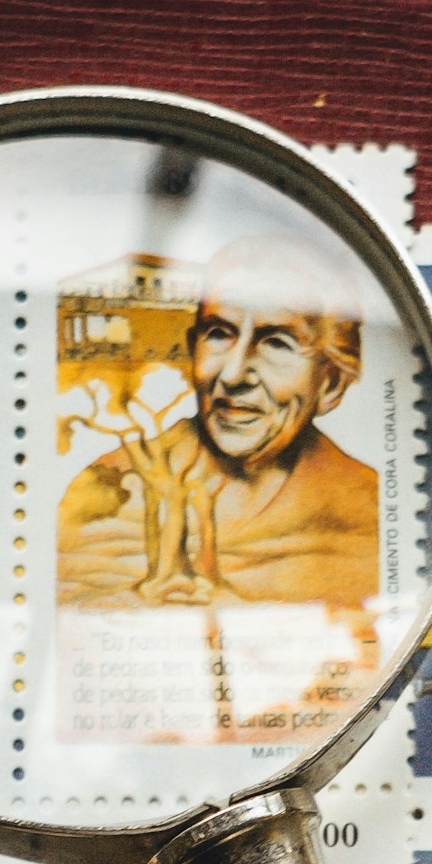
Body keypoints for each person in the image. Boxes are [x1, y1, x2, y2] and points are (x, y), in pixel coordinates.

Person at [58, 233, 379, 612]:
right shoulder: (106, 489)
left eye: (277, 343)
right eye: (220, 335)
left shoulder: (368, 509)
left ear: (330, 384)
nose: (233, 375)